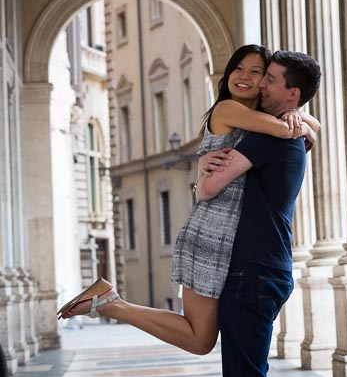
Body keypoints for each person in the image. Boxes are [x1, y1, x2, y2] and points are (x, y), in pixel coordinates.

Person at [57, 44, 319, 359]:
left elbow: (289, 124)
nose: (247, 78)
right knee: (199, 339)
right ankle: (111, 304)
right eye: (239, 69)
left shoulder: (252, 118)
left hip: (227, 239)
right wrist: (301, 122)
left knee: (201, 339)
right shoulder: (228, 109)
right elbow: (282, 129)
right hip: (209, 232)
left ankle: (111, 302)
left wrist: (297, 115)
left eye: (257, 72)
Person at [195, 50, 321, 377]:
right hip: (257, 271)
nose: (261, 85)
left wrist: (209, 167)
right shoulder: (281, 132)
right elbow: (308, 129)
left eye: (269, 79)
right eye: (259, 76)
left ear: (291, 93)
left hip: (253, 273)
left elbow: (209, 189)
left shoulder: (268, 139)